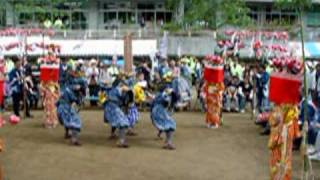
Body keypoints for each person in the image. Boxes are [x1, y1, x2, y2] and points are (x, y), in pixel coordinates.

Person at [102, 80, 131, 148]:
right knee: (123, 122)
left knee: (121, 122)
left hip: (113, 107)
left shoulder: (115, 90)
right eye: (123, 85)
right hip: (112, 107)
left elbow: (125, 101)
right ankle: (121, 141)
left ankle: (120, 140)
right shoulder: (115, 90)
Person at [57, 79, 83, 146]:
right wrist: (79, 97)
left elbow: (57, 102)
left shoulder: (65, 89)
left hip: (60, 109)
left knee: (68, 121)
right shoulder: (70, 91)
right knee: (76, 122)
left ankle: (67, 133)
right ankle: (74, 140)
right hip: (66, 108)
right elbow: (76, 100)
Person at [151, 83, 177, 150]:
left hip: (157, 111)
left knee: (168, 125)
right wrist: (171, 93)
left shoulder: (158, 94)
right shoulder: (163, 94)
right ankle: (168, 143)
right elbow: (167, 101)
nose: (169, 89)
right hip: (159, 112)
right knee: (170, 125)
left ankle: (167, 142)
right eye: (168, 88)